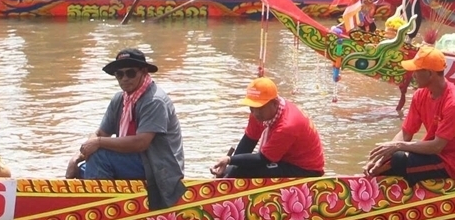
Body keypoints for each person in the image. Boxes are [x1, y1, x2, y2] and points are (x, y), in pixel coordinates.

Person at [69, 48, 184, 210]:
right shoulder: (120, 99)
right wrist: (77, 157)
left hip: (159, 166)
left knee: (99, 157)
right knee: (84, 167)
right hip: (137, 160)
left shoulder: (154, 100)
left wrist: (98, 143)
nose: (125, 79)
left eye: (130, 73)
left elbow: (141, 143)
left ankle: (99, 210)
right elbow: (100, 133)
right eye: (119, 74)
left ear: (143, 72)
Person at [363, 46, 455, 183]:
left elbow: (437, 147)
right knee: (389, 154)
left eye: (417, 70)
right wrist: (382, 156)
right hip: (431, 154)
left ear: (430, 73)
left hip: (450, 162)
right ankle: (373, 174)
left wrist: (398, 147)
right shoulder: (420, 95)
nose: (413, 75)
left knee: (398, 159)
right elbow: (406, 133)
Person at [211, 77, 325, 178]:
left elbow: (263, 159)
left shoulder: (287, 125)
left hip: (305, 169)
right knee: (233, 170)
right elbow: (248, 142)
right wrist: (229, 167)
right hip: (284, 159)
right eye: (252, 108)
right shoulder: (259, 113)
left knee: (242, 172)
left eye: (260, 108)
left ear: (275, 103)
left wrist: (230, 160)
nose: (255, 113)